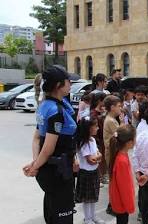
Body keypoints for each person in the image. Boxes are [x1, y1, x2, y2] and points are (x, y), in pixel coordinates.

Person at [22, 65, 79, 224]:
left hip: (53, 169)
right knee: (62, 216)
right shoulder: (56, 111)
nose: (71, 84)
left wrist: (35, 163)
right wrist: (35, 166)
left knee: (52, 209)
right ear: (58, 85)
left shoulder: (46, 106)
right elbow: (48, 149)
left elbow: (37, 139)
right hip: (58, 173)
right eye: (68, 81)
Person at [75, 116, 105, 224]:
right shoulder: (83, 143)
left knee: (94, 196)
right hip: (86, 173)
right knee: (87, 198)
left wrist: (97, 157)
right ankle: (87, 218)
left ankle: (93, 216)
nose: (97, 128)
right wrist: (97, 157)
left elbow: (98, 155)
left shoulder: (92, 140)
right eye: (95, 126)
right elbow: (91, 160)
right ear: (88, 128)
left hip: (94, 172)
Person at [109, 125, 137, 224]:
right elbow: (124, 188)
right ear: (129, 143)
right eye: (135, 138)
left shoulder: (121, 155)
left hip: (120, 201)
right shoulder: (122, 161)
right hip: (122, 203)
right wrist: (130, 205)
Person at [103, 95, 122, 215]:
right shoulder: (110, 121)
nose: (121, 108)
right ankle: (112, 205)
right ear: (112, 107)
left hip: (113, 153)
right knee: (114, 181)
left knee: (115, 180)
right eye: (119, 106)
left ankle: (113, 204)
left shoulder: (112, 119)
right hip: (112, 154)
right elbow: (122, 135)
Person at [90, 92, 108, 186]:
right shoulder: (93, 113)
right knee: (97, 158)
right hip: (96, 138)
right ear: (99, 101)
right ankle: (99, 178)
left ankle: (103, 176)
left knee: (103, 158)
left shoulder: (101, 112)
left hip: (102, 138)